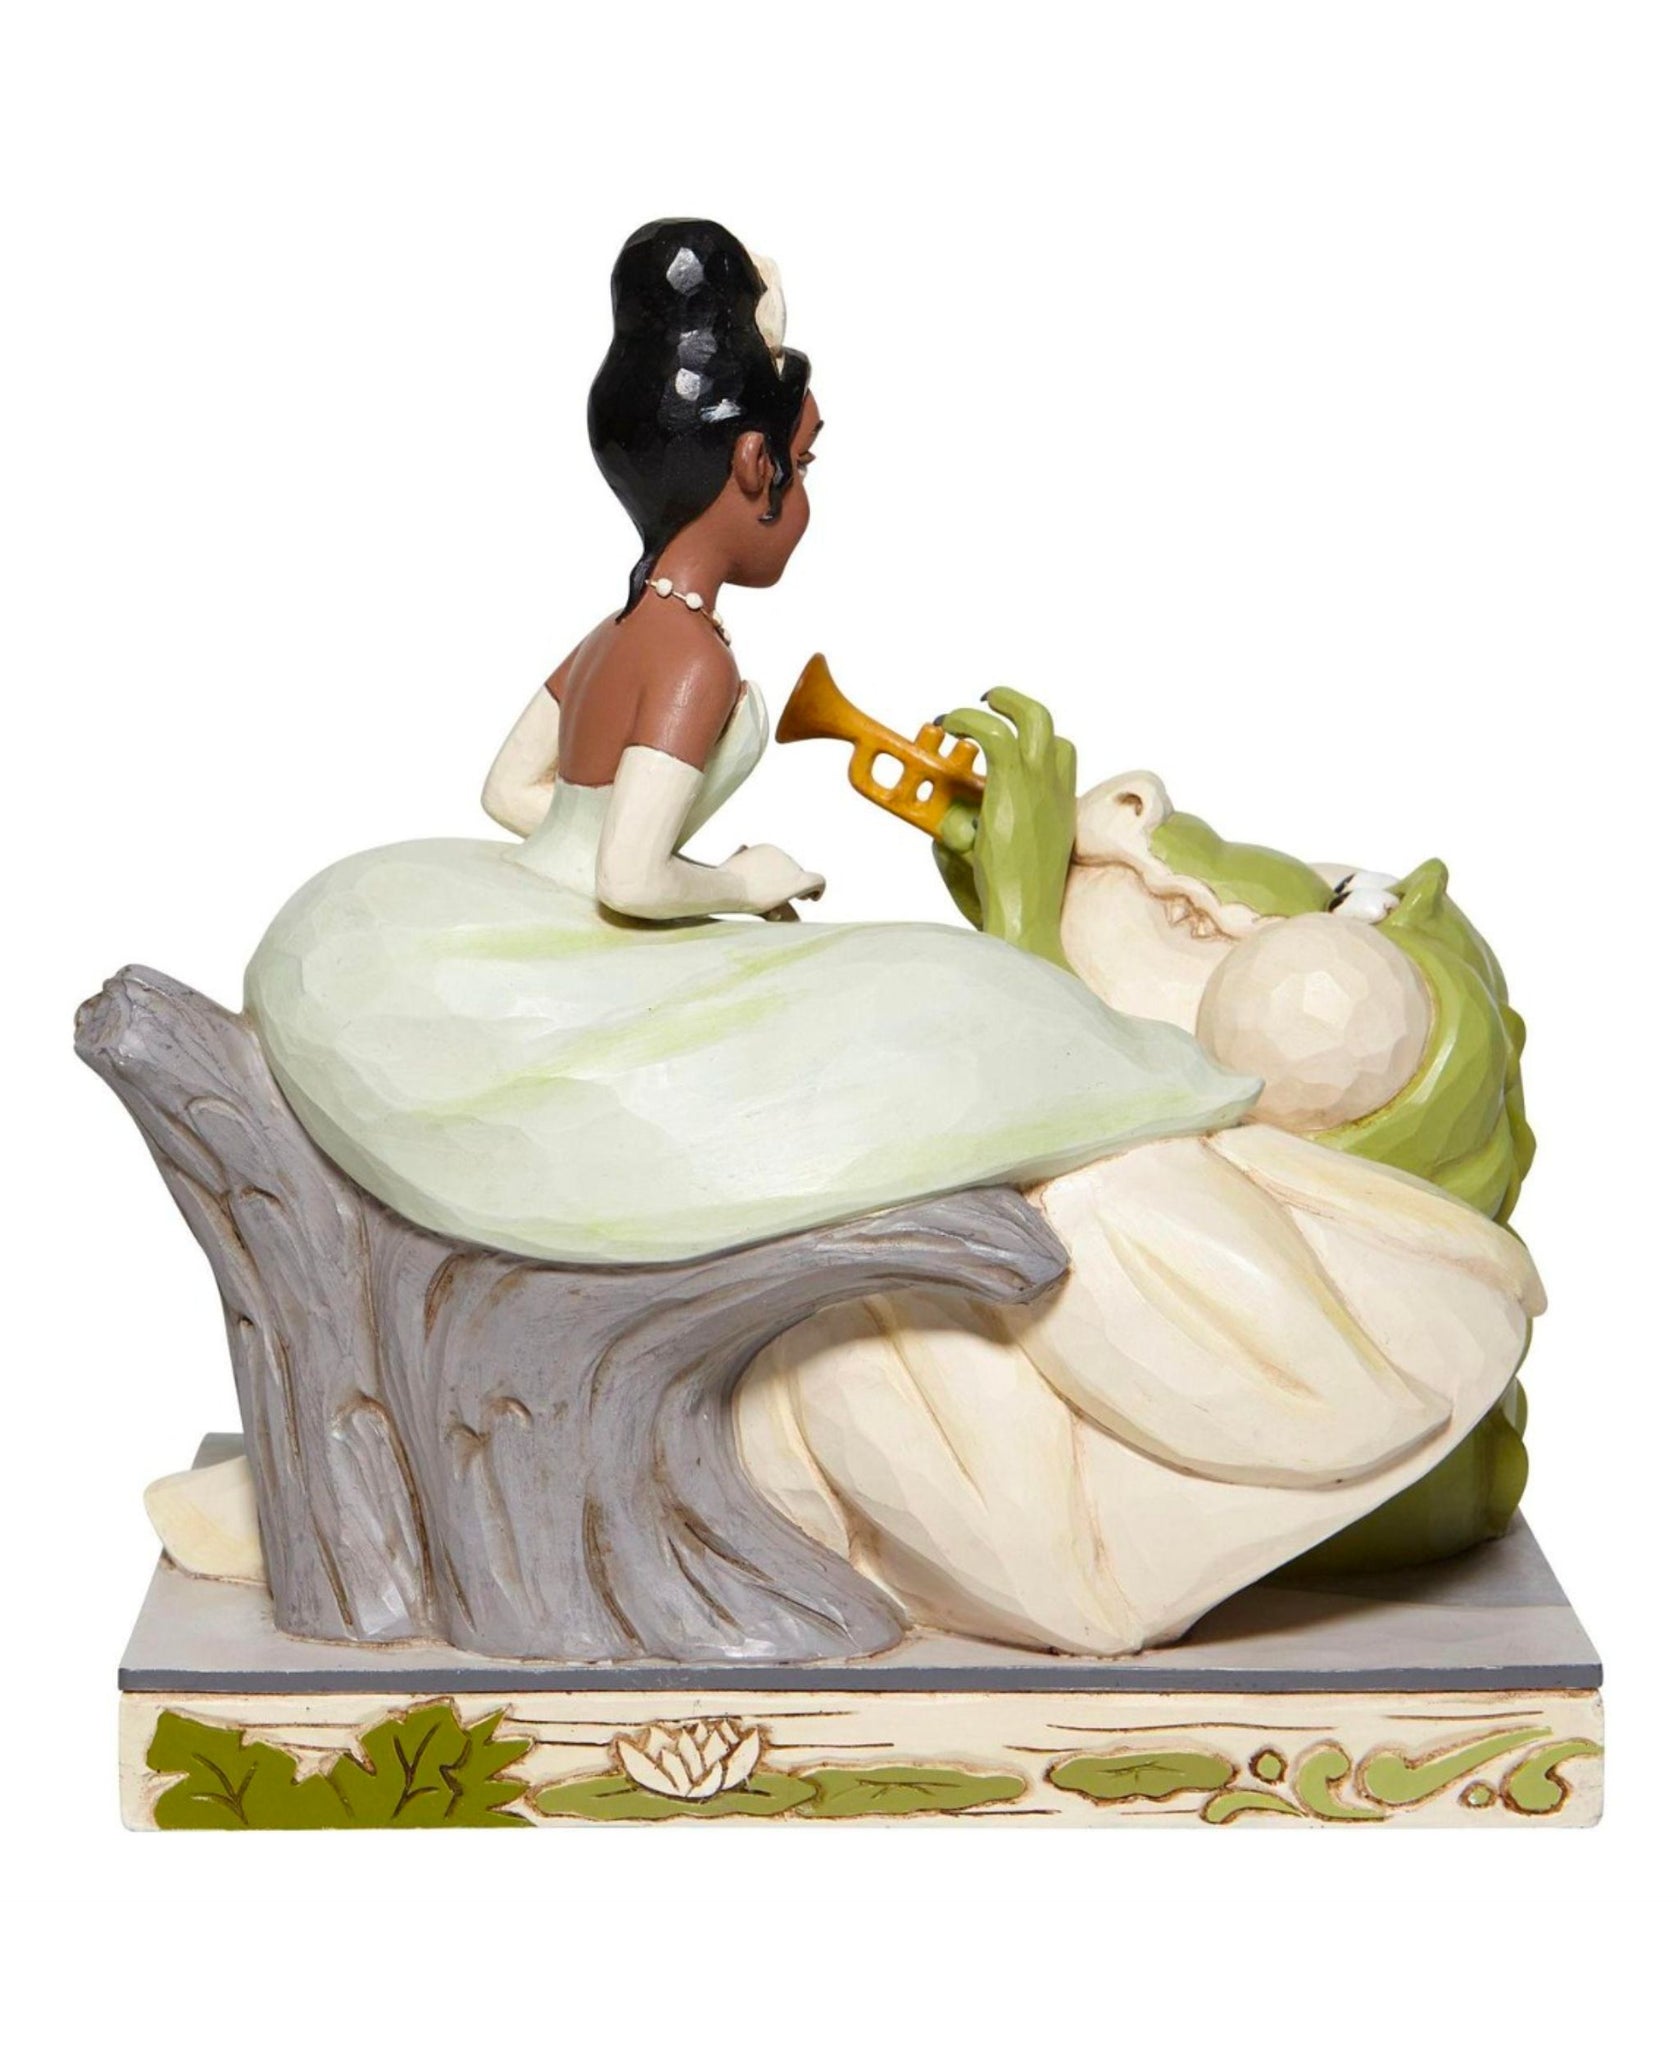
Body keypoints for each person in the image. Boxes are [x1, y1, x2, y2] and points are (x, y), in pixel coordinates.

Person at [245, 220, 1257, 1265]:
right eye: (802, 464)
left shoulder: (613, 633)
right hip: (582, 944)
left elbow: (510, 793)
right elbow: (628, 879)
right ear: (752, 462)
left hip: (527, 904)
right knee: (953, 993)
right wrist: (736, 880)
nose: (804, 494)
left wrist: (629, 857)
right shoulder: (692, 658)